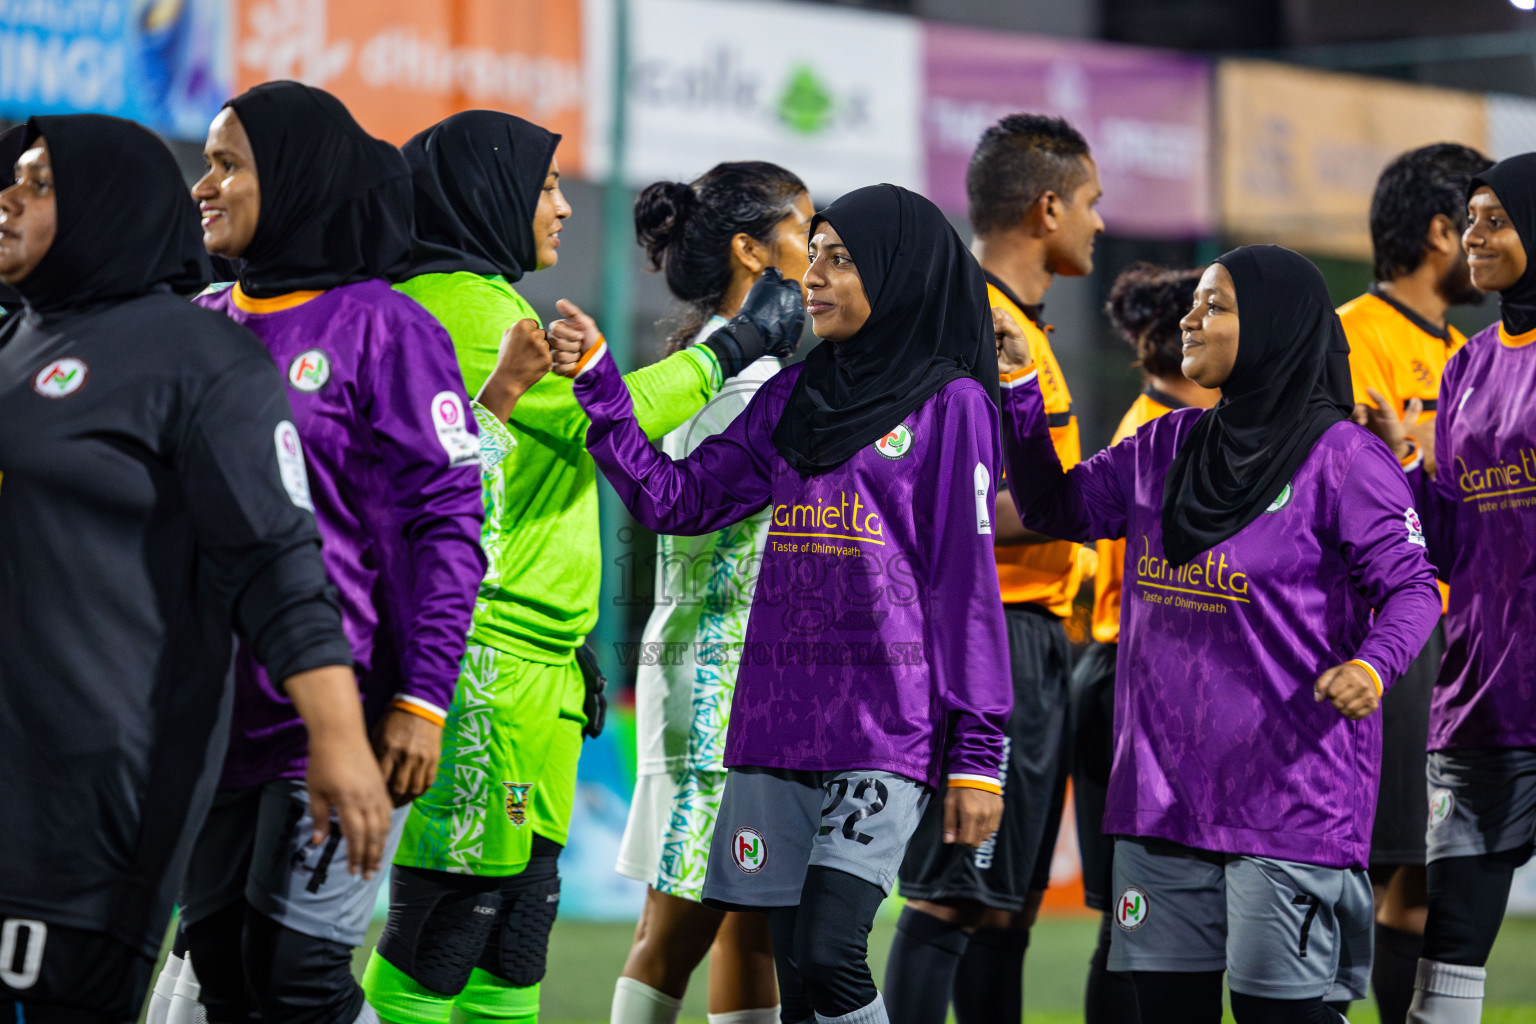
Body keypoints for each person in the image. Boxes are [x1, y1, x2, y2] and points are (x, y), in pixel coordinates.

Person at [360, 112, 801, 1024]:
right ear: (489, 192)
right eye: (546, 185)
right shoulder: (464, 303)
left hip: (543, 662)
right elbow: (603, 419)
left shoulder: (486, 300)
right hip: (492, 660)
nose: (562, 205)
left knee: (510, 942)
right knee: (442, 934)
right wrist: (734, 347)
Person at [552, 182, 1010, 1024]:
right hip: (771, 731)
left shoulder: (953, 406)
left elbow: (965, 592)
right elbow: (677, 500)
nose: (816, 279)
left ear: (898, 273)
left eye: (842, 261)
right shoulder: (794, 396)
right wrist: (600, 389)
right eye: (817, 257)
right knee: (794, 965)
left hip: (883, 729)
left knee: (832, 951)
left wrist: (979, 752)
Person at [0, 114, 391, 1023]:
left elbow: (279, 560)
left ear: (109, 204)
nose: (10, 197)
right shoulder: (16, 346)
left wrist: (338, 736)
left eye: (41, 182)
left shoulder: (199, 360)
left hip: (87, 806)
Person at [999, 244, 1442, 1024]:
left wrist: (1373, 668)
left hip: (1290, 801)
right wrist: (1020, 391)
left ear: (1274, 327)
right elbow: (1053, 509)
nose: (1190, 319)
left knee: (1281, 1015)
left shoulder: (1344, 460)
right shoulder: (1164, 448)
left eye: (1216, 305)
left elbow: (1411, 590)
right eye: (1194, 302)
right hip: (1162, 802)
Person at [166, 81, 487, 1024]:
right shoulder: (196, 324)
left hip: (337, 713)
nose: (204, 186)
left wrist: (423, 698)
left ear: (297, 179)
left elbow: (448, 527)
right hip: (211, 716)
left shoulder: (387, 328)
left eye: (228, 165)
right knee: (223, 967)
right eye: (206, 162)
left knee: (298, 977)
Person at [887, 113, 1101, 1024]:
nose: (1099, 221)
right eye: (1091, 203)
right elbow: (942, 497)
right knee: (949, 893)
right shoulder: (970, 324)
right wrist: (1088, 502)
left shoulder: (1022, 328)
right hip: (986, 638)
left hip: (1038, 639)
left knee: (1001, 906)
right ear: (1047, 208)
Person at [610, 162, 815, 1024]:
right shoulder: (735, 383)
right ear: (751, 251)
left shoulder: (719, 373)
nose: (822, 249)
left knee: (754, 927)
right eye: (808, 229)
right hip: (715, 687)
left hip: (743, 688)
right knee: (679, 924)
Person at [1361, 154, 1536, 1024]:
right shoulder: (1467, 365)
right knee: (1450, 941)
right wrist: (1400, 466)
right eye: (1470, 217)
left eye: (1497, 218)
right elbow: (1444, 523)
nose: (1475, 234)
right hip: (1484, 697)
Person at [1336, 142, 1491, 1024]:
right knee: (1359, 859)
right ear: (1440, 233)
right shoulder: (1350, 334)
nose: (1479, 239)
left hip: (1452, 633)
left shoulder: (1465, 351)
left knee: (1420, 877)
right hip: (1374, 630)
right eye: (1472, 220)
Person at [1069, 263, 1212, 1024]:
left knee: (1140, 918)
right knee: (1135, 917)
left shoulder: (1151, 421)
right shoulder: (1162, 435)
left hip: (1127, 674)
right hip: (1135, 679)